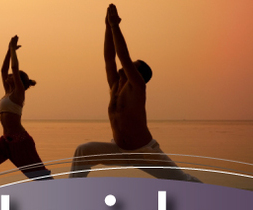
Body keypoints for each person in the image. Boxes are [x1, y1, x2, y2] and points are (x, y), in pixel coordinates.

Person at [69, 4, 200, 182]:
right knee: (83, 151)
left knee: (184, 182)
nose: (126, 66)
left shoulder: (137, 87)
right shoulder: (115, 85)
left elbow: (123, 55)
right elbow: (109, 58)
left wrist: (115, 26)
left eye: (133, 65)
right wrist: (107, 27)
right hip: (119, 150)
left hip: (144, 152)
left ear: (138, 74)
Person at [0, 36, 52, 190]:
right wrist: (8, 50)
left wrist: (14, 51)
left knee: (39, 176)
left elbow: (14, 69)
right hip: (5, 142)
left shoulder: (18, 93)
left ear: (17, 80)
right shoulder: (7, 92)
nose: (7, 76)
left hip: (20, 141)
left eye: (11, 76)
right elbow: (3, 69)